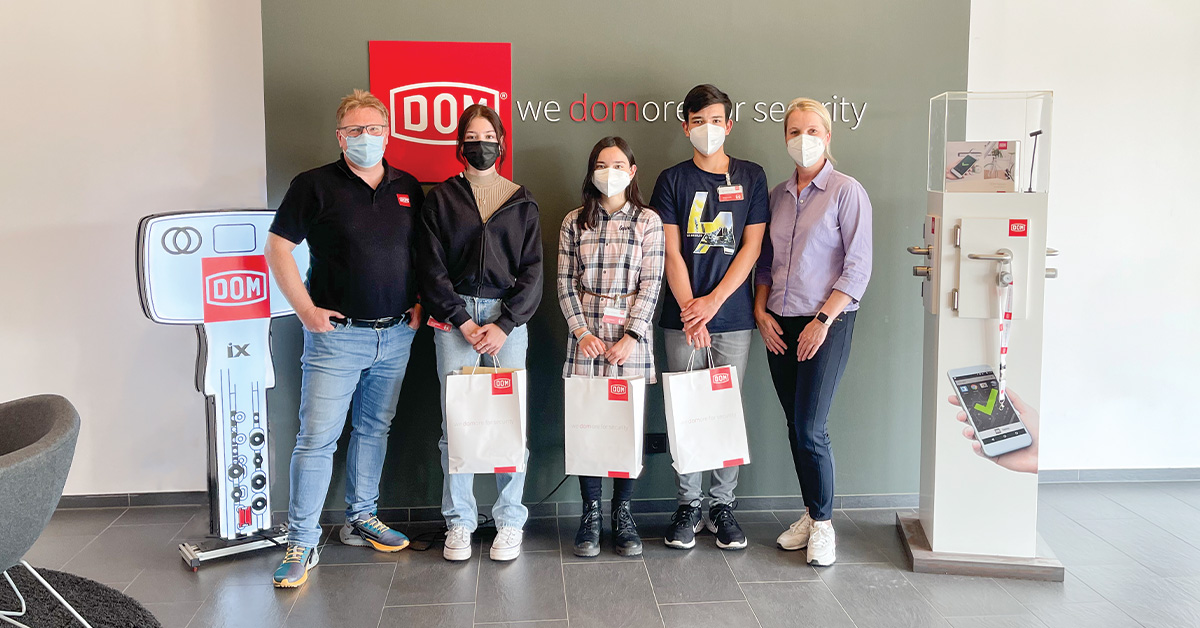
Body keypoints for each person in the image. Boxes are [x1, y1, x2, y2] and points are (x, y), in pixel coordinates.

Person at [264, 89, 424, 588]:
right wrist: (306, 310)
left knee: (375, 430)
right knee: (317, 440)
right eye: (355, 130)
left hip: (396, 334)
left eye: (374, 129)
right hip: (337, 337)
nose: (366, 138)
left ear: (388, 131)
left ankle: (363, 517)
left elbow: (419, 251)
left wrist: (419, 300)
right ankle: (302, 541)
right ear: (340, 136)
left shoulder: (409, 186)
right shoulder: (313, 185)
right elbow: (277, 248)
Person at [416, 104, 543, 563]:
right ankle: (460, 521)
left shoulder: (522, 200)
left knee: (510, 421)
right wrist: (462, 320)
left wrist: (505, 324)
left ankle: (510, 518)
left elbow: (532, 271)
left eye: (488, 134)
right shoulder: (442, 198)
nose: (480, 142)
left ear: (501, 142)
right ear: (460, 145)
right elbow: (430, 267)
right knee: (458, 424)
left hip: (508, 319)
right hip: (455, 322)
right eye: (472, 135)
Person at [754, 97, 872, 567]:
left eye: (813, 131)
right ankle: (809, 511)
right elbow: (764, 262)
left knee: (810, 427)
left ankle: (823, 525)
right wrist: (762, 314)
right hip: (778, 323)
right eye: (794, 131)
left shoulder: (846, 191)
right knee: (794, 425)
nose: (803, 139)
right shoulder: (777, 196)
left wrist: (822, 321)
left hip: (826, 321)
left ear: (828, 137)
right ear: (785, 138)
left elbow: (858, 267)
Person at [651, 84, 768, 551]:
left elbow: (752, 247)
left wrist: (714, 303)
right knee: (685, 411)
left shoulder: (752, 177)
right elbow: (671, 252)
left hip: (733, 316)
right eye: (698, 121)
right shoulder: (671, 179)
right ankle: (689, 504)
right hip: (682, 316)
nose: (707, 129)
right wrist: (690, 312)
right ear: (686, 126)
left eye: (715, 120)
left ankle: (722, 506)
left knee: (725, 410)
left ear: (729, 125)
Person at [557, 137, 665, 557]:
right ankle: (591, 514)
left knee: (624, 429)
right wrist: (583, 333)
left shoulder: (648, 221)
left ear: (632, 171)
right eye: (602, 164)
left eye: (619, 164)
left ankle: (623, 513)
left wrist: (631, 336)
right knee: (589, 426)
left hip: (630, 342)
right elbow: (565, 284)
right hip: (584, 339)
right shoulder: (573, 221)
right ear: (591, 171)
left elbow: (652, 284)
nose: (610, 171)